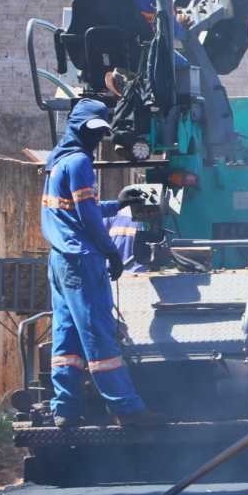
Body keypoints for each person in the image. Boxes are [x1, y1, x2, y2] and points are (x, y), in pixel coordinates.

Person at [41, 100, 153, 429]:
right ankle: (126, 408)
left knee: (66, 335)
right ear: (77, 128)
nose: (95, 139)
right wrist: (111, 252)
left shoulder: (57, 162)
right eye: (91, 132)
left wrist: (117, 205)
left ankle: (65, 408)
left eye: (99, 133)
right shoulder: (80, 162)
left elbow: (79, 209)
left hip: (60, 259)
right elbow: (88, 219)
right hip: (82, 260)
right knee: (98, 333)